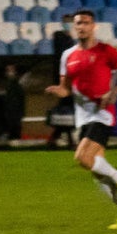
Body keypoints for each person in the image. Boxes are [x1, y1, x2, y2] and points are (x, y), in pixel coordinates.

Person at [45, 9, 117, 230]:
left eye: (85, 23)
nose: (81, 26)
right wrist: (57, 91)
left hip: (103, 113)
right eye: (77, 23)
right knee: (97, 173)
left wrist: (115, 91)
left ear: (93, 26)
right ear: (73, 27)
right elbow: (66, 89)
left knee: (83, 158)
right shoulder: (68, 56)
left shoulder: (106, 51)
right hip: (82, 116)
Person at [46, 13, 77, 148]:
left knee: (67, 108)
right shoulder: (60, 36)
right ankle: (66, 140)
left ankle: (56, 138)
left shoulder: (72, 39)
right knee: (67, 107)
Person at [2, 63, 25, 141]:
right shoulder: (6, 85)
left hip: (14, 113)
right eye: (8, 70)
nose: (10, 73)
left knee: (14, 130)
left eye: (12, 70)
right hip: (8, 113)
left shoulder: (16, 85)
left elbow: (20, 99)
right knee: (10, 130)